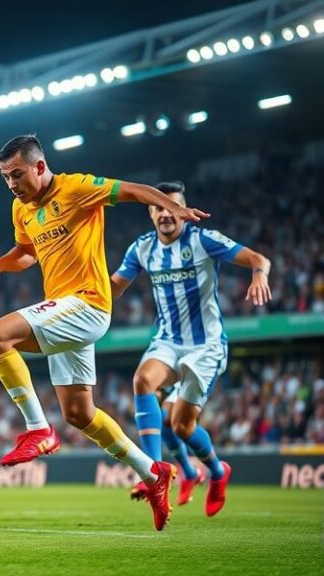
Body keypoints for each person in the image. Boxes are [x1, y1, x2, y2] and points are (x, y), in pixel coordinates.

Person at [0, 135, 209, 530]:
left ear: (40, 167)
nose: (12, 184)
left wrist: (171, 207)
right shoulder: (21, 208)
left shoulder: (77, 188)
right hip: (64, 311)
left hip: (88, 303)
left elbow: (134, 190)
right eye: (5, 178)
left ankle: (37, 429)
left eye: (17, 174)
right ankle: (153, 473)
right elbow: (27, 252)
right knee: (79, 413)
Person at [111, 180, 272, 516]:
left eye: (172, 208)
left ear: (184, 211)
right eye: (158, 207)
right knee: (142, 381)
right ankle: (156, 470)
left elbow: (259, 258)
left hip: (205, 346)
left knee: (181, 426)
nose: (165, 214)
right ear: (150, 212)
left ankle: (216, 471)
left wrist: (259, 275)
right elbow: (113, 289)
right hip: (168, 340)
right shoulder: (141, 248)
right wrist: (83, 295)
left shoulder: (203, 240)